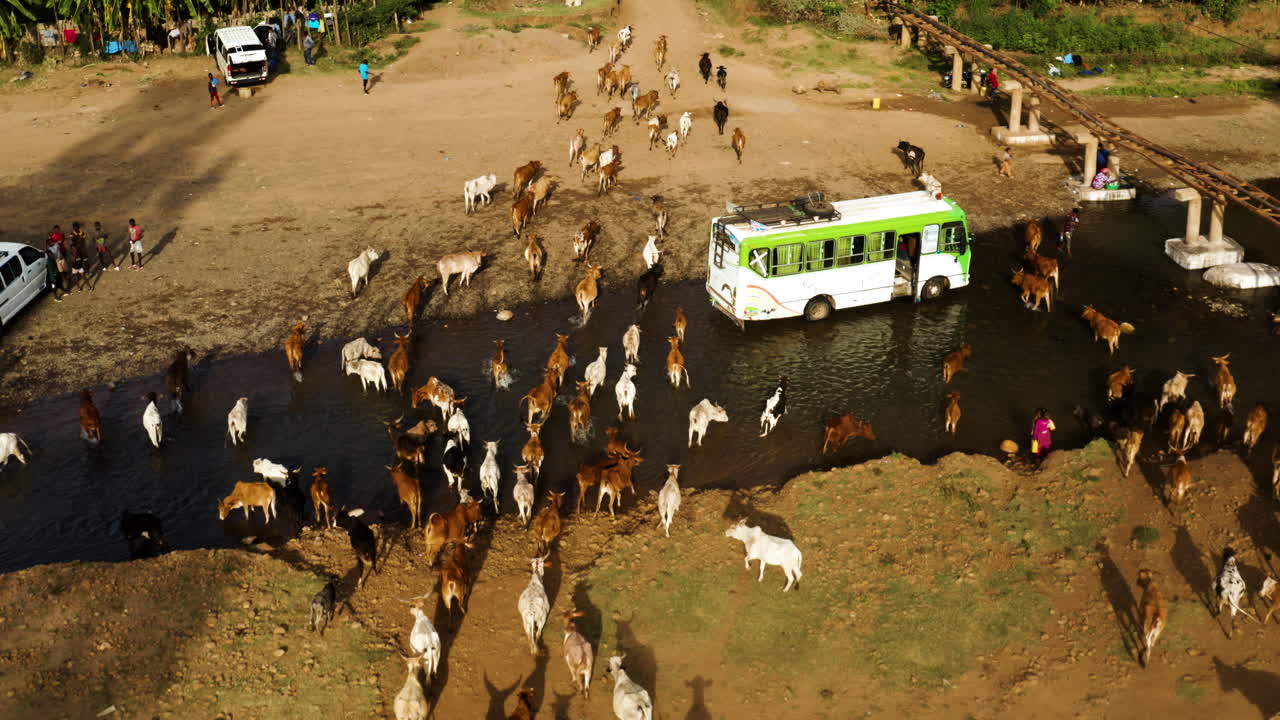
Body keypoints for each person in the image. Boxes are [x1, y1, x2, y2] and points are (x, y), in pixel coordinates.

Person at [68, 222, 89, 291]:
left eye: (76, 227)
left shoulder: (81, 232)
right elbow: (72, 241)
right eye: (74, 227)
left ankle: (87, 272)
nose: (75, 228)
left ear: (78, 227)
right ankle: (80, 273)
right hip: (76, 250)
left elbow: (83, 240)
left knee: (85, 260)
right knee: (78, 262)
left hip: (82, 249)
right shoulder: (72, 234)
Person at [45, 234, 65, 301]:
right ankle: (56, 297)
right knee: (54, 286)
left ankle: (63, 292)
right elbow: (50, 271)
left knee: (58, 284)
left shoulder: (52, 259)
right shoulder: (49, 262)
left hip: (55, 274)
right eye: (51, 255)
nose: (52, 255)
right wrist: (53, 278)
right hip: (53, 276)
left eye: (52, 254)